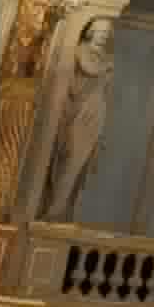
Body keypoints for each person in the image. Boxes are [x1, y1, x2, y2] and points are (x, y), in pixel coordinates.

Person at [42, 17, 114, 222]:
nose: (103, 36)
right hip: (76, 111)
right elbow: (83, 74)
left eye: (107, 32)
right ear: (90, 31)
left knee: (79, 163)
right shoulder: (80, 51)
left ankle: (61, 209)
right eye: (100, 31)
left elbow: (106, 88)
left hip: (95, 111)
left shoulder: (106, 57)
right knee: (68, 156)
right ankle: (53, 207)